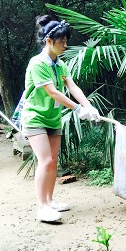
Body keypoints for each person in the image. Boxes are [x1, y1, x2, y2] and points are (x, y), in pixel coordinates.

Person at [22, 16, 101, 223]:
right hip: (35, 117)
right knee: (45, 160)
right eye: (62, 42)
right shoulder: (38, 63)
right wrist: (77, 108)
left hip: (53, 118)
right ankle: (42, 207)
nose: (65, 46)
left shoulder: (60, 64)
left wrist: (88, 106)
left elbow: (72, 86)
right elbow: (53, 92)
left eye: (66, 41)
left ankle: (49, 200)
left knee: (53, 160)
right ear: (49, 41)